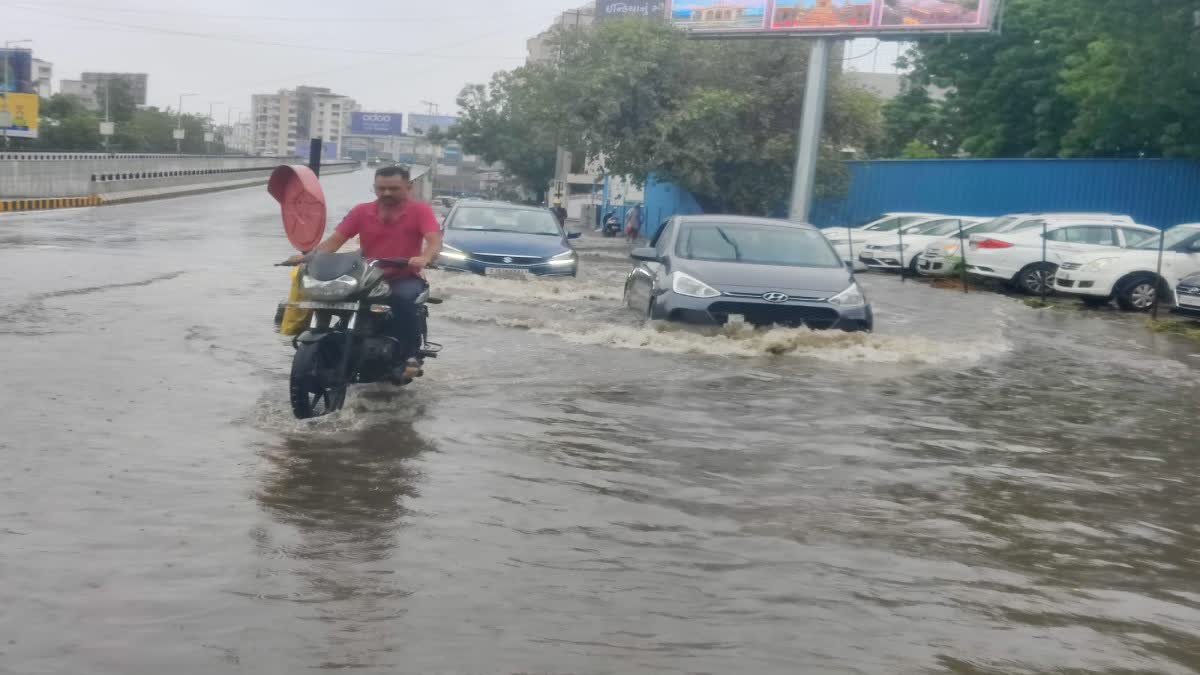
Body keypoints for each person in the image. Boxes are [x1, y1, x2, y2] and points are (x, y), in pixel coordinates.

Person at [289, 165, 442, 365]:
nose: (386, 193)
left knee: (403, 301)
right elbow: (334, 242)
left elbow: (434, 241)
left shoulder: (420, 211)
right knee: (331, 297)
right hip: (366, 276)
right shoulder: (361, 211)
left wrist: (425, 257)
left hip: (403, 277)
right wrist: (308, 257)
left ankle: (409, 357)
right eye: (381, 188)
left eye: (394, 188)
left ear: (408, 186)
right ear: (375, 188)